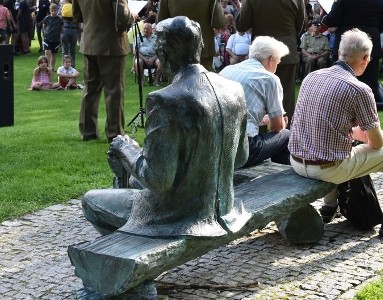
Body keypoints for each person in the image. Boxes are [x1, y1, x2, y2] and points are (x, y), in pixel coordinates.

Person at [81, 16, 250, 238]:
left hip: (183, 216)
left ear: (163, 52)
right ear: (199, 47)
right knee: (132, 181)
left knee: (90, 200)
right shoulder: (233, 89)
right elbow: (240, 158)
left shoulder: (165, 100)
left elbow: (158, 179)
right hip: (225, 207)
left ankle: (129, 256)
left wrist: (125, 148)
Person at [289, 28, 383, 238]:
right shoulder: (359, 89)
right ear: (366, 58)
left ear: (339, 52)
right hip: (327, 168)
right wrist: (377, 135)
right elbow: (377, 143)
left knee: (331, 143)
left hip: (296, 162)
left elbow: (322, 125)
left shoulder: (311, 77)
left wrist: (356, 134)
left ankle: (329, 205)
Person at [234, 0, 306, 120]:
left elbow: (241, 25)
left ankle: (262, 135)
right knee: (286, 98)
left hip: (261, 56)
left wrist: (241, 10)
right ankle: (285, 136)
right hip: (287, 54)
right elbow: (301, 25)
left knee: (259, 95)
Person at [73, 0, 134, 142]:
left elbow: (77, 16)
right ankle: (115, 133)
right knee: (114, 91)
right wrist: (133, 16)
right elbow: (123, 18)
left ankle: (88, 131)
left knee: (90, 90)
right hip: (112, 45)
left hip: (89, 44)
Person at [321, 0, 383, 108]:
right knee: (368, 90)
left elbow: (333, 19)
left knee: (341, 88)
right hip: (369, 47)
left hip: (346, 46)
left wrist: (324, 19)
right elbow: (382, 25)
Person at [220, 36, 291, 167]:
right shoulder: (269, 79)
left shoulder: (227, 70)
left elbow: (242, 113)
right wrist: (278, 122)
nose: (276, 67)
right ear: (270, 59)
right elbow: (278, 127)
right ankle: (278, 181)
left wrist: (266, 120)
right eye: (277, 62)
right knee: (286, 136)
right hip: (241, 151)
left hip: (217, 146)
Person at [133, 21, 161, 85]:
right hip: (142, 57)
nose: (145, 30)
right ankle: (141, 81)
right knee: (137, 62)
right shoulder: (138, 37)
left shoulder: (156, 38)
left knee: (160, 62)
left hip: (154, 57)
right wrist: (145, 59)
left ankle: (157, 81)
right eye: (144, 28)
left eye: (147, 29)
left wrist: (152, 59)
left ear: (151, 29)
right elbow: (135, 51)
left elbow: (159, 50)